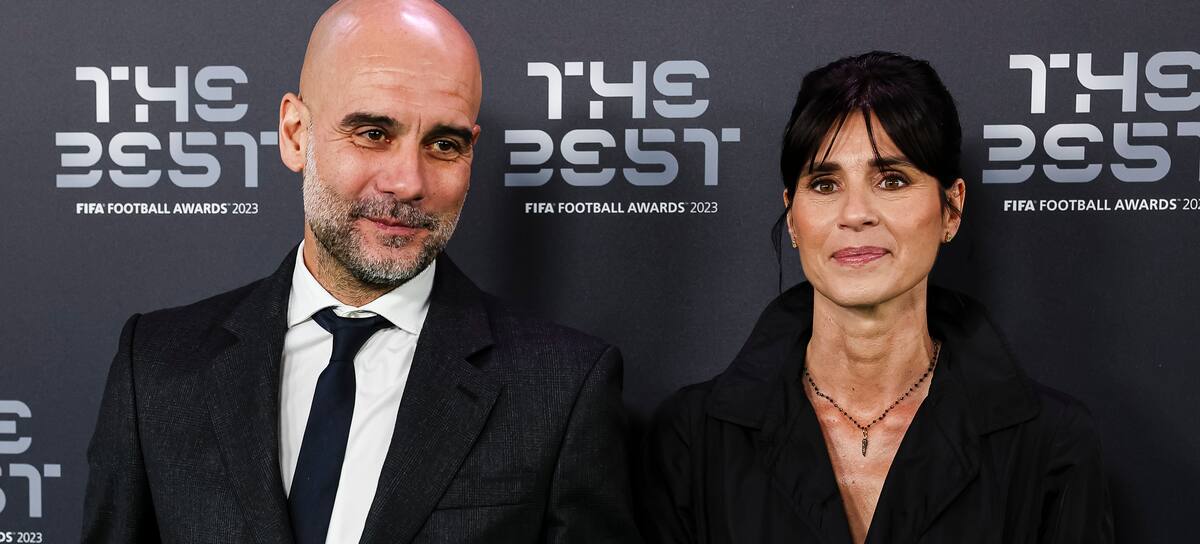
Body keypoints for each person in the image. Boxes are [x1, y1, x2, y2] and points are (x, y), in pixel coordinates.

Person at [80, 1, 641, 542]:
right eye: (373, 134)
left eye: (443, 144)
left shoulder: (563, 389)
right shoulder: (156, 365)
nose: (408, 182)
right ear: (295, 134)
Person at [639, 51, 1113, 543]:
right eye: (825, 184)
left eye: (891, 180)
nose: (855, 214)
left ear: (951, 209)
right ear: (794, 218)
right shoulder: (691, 438)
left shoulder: (1051, 444)